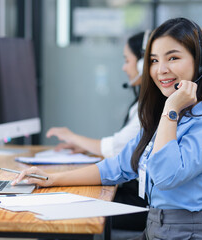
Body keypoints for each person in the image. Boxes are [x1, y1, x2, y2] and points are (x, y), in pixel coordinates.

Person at [12, 17, 202, 239]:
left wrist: (170, 109)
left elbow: (166, 176)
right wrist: (52, 179)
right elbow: (118, 166)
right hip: (157, 228)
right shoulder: (164, 117)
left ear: (199, 63)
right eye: (153, 60)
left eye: (172, 58)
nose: (160, 69)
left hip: (192, 232)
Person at [46, 31, 150, 231]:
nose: (124, 67)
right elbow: (119, 158)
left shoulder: (151, 110)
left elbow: (115, 149)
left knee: (66, 215)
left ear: (141, 64)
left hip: (140, 202)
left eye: (127, 60)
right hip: (134, 193)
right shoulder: (143, 104)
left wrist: (72, 136)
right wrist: (55, 178)